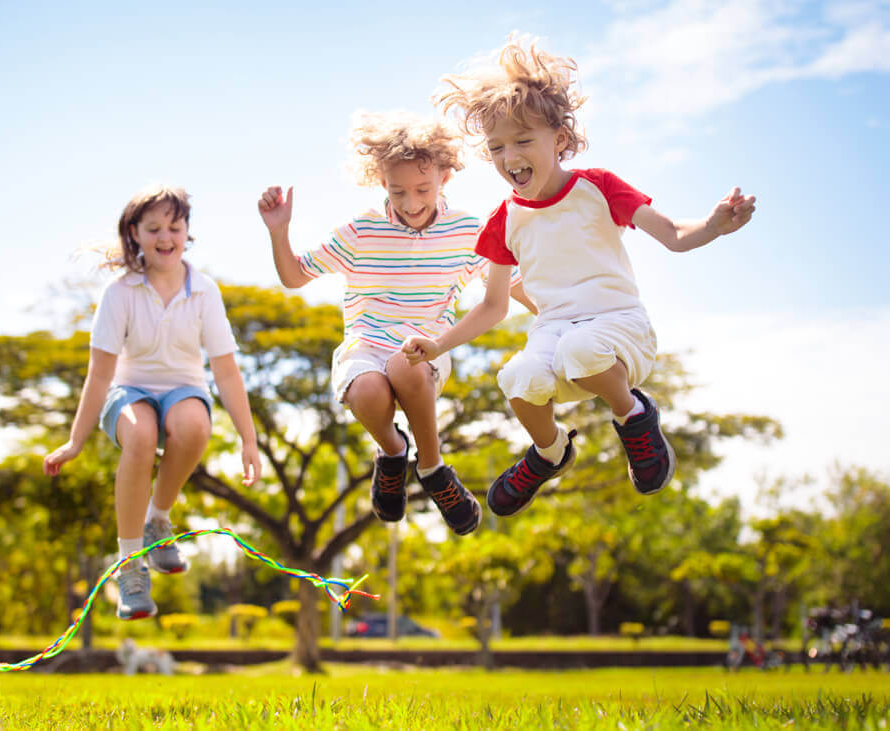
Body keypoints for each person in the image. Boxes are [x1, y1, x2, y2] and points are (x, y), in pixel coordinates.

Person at [403, 36, 756, 516]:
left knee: (581, 348)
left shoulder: (597, 188)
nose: (510, 157)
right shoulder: (503, 221)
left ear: (560, 140)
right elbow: (493, 305)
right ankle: (550, 452)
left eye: (524, 140)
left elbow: (673, 234)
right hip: (556, 337)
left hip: (618, 329)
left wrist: (713, 226)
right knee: (517, 375)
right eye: (498, 146)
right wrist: (438, 344)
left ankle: (634, 415)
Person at [257, 111, 531, 536]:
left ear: (444, 176)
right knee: (367, 387)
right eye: (397, 189)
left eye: (422, 188)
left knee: (405, 364)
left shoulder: (467, 231)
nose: (409, 201)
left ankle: (433, 466)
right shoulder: (361, 230)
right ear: (381, 181)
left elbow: (510, 288)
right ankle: (392, 451)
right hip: (366, 345)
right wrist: (279, 231)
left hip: (428, 347)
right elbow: (294, 276)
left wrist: (563, 312)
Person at [44, 185, 261, 619]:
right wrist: (75, 442)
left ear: (187, 232)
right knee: (141, 434)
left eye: (175, 227)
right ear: (135, 234)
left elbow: (225, 372)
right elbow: (101, 373)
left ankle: (157, 518)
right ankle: (130, 567)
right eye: (155, 228)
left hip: (184, 388)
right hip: (130, 391)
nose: (166, 237)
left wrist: (248, 440)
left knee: (194, 426)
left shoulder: (204, 292)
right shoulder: (119, 292)